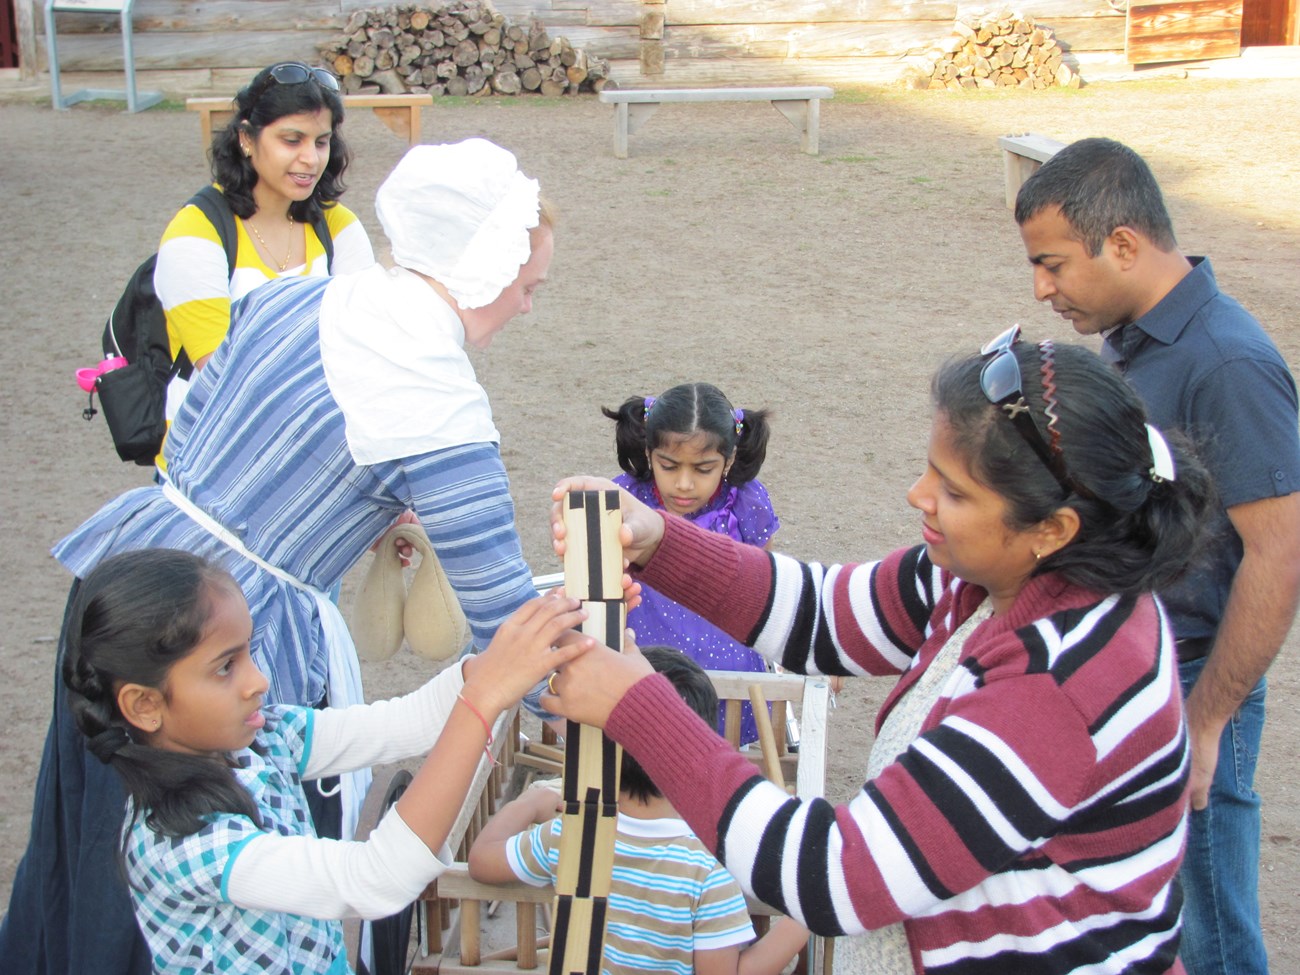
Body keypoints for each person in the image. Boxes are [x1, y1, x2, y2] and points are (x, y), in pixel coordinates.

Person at [0, 137, 554, 975]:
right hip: (221, 629)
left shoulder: (305, 297)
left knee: (93, 857)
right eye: (528, 286)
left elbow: (194, 424)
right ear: (488, 274)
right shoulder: (432, 392)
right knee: (218, 890)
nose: (525, 306)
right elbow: (504, 619)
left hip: (133, 588)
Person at [544, 332, 1216, 974]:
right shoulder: (983, 575)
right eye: (931, 469)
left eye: (953, 491)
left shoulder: (1061, 683)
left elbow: (836, 876)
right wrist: (660, 538)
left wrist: (641, 708)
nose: (918, 496)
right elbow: (823, 613)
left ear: (1052, 527)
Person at [1014, 137, 1300, 975]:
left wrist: (1207, 722)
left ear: (1126, 245)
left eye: (1054, 264)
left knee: (1208, 932)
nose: (1043, 287)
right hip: (1136, 678)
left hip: (1194, 685)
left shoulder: (1228, 362)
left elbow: (1279, 557)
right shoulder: (1134, 338)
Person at [61, 548, 590, 975]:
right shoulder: (182, 845)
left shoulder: (259, 740)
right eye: (225, 667)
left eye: (247, 652)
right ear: (144, 705)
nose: (258, 681)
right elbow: (375, 879)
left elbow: (400, 724)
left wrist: (500, 662)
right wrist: (486, 698)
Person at [469, 646, 811, 975]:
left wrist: (528, 803)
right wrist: (805, 912)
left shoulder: (570, 834)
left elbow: (481, 860)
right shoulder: (708, 870)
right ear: (697, 754)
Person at [153, 61, 375, 467]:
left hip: (316, 458)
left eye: (321, 142)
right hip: (210, 462)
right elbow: (223, 372)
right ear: (247, 139)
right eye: (292, 140)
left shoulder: (338, 225)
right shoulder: (196, 232)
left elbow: (367, 347)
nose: (310, 158)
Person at [602, 383, 777, 744]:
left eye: (703, 469)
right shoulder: (625, 499)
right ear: (649, 454)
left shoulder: (747, 502)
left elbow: (769, 585)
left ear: (728, 461)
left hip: (730, 677)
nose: (684, 484)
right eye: (668, 465)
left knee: (722, 766)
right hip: (645, 665)